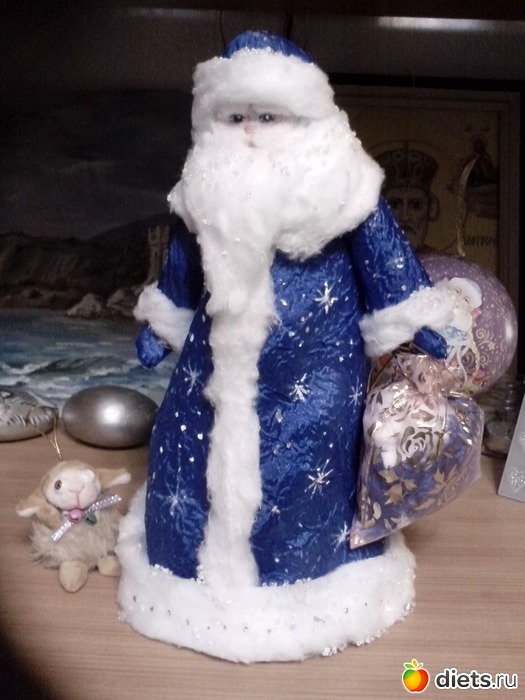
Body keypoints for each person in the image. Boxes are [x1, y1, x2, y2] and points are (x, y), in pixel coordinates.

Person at [117, 31, 457, 662]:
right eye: (235, 117)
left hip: (318, 374)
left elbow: (385, 259)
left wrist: (413, 319)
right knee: (189, 460)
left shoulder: (347, 186)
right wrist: (162, 323)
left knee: (305, 476)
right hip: (213, 371)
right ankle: (185, 578)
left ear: (303, 117)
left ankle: (306, 588)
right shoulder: (201, 188)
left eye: (267, 116)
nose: (249, 130)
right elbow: (181, 267)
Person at [377, 147, 439, 252]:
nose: (405, 217)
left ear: (432, 209)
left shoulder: (442, 261)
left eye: (416, 206)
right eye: (394, 205)